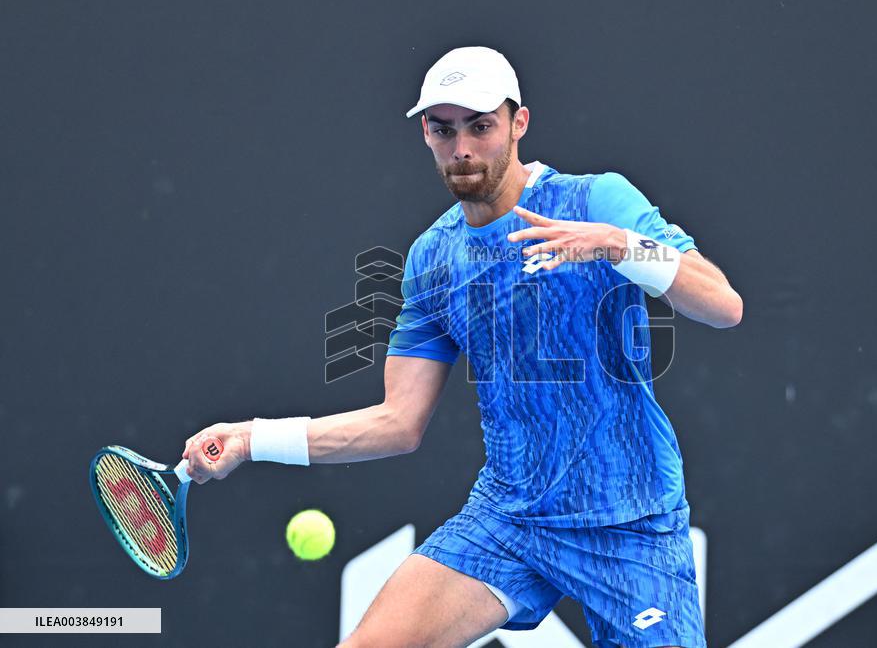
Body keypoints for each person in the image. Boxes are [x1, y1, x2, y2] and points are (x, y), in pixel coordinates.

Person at [181, 46, 742, 648]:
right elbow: (399, 422)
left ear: (518, 123)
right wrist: (251, 438)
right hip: (509, 519)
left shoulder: (596, 200)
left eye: (481, 126)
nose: (463, 148)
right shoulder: (434, 259)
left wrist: (619, 245)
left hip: (629, 519)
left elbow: (724, 304)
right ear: (426, 133)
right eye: (443, 130)